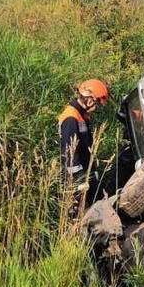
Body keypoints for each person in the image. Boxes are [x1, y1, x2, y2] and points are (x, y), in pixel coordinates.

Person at [59, 78, 110, 209]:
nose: (96, 107)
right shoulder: (71, 117)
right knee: (77, 215)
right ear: (89, 98)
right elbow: (69, 152)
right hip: (76, 180)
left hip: (84, 175)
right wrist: (79, 179)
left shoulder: (80, 115)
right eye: (96, 103)